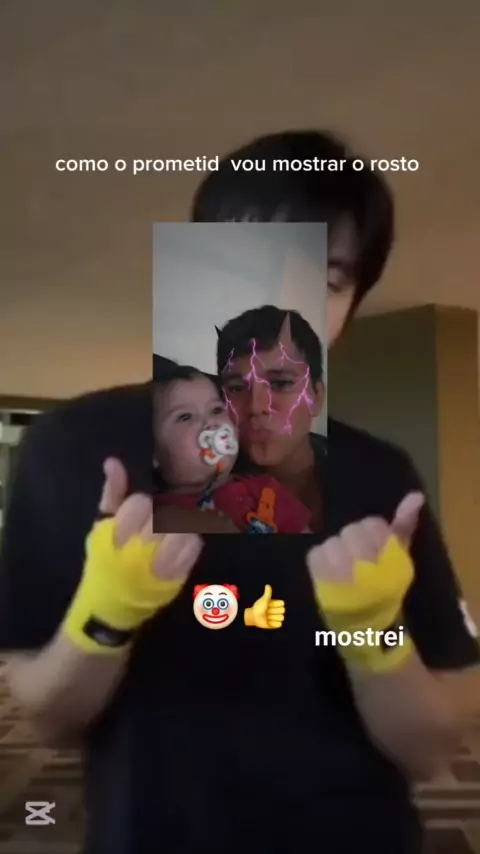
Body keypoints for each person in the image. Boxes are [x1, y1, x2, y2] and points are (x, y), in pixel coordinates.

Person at [0, 130, 478, 854]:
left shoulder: (381, 475)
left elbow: (430, 749)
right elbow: (49, 721)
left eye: (327, 278)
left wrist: (373, 635)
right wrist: (106, 615)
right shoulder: (69, 448)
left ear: (350, 308)